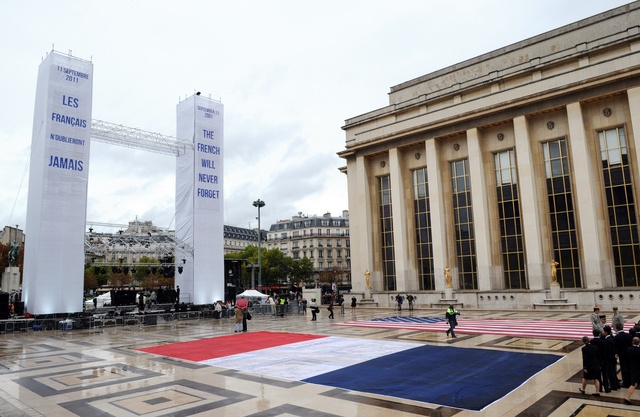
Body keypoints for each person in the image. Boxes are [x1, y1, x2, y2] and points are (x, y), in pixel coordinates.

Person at [601, 325, 619, 392]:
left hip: (609, 359)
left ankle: (613, 386)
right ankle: (616, 384)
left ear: (606, 332)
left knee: (610, 373)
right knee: (613, 372)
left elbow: (608, 351)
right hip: (613, 358)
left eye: (603, 331)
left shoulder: (607, 340)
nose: (602, 332)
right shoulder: (612, 338)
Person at [615, 322, 633, 388]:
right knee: (628, 367)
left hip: (622, 355)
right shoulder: (628, 335)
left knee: (623, 368)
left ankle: (625, 382)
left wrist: (616, 354)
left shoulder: (617, 337)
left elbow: (616, 347)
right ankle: (630, 381)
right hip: (629, 354)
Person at [624, 336, 640, 405]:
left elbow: (626, 359)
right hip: (639, 368)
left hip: (631, 368)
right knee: (634, 384)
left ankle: (628, 398)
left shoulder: (629, 349)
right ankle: (627, 398)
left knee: (634, 383)